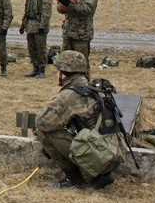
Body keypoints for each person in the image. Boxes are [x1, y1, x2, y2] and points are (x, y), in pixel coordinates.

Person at [35, 50, 123, 189]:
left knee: (43, 133)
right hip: (113, 153)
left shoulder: (71, 95)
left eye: (58, 71)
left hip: (100, 158)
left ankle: (74, 179)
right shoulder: (94, 87)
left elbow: (43, 122)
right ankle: (98, 174)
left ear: (64, 73)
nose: (57, 74)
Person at [56, 0, 98, 80]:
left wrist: (71, 5)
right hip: (68, 31)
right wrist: (62, 6)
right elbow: (60, 9)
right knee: (65, 62)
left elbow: (87, 9)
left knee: (81, 63)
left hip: (81, 33)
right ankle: (67, 87)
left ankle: (84, 88)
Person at [20, 0, 53, 79]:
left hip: (39, 26)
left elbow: (46, 13)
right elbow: (27, 12)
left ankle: (42, 70)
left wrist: (42, 26)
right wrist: (23, 25)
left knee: (41, 49)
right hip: (30, 26)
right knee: (32, 49)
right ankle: (35, 69)